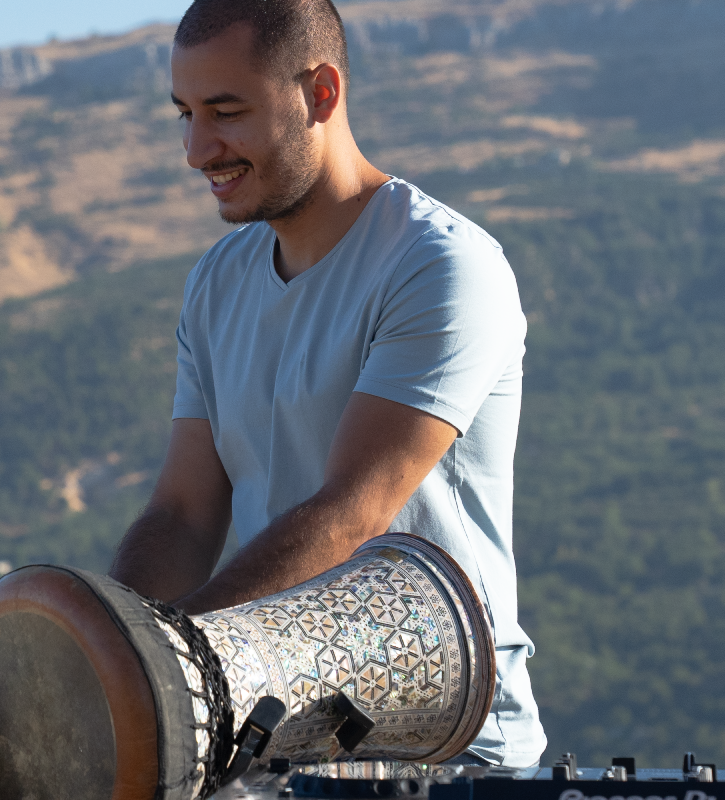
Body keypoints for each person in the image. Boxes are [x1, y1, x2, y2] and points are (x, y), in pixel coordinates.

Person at [107, 0, 546, 767]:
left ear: (321, 95)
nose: (195, 149)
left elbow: (352, 517)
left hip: (444, 748)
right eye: (183, 114)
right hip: (283, 742)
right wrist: (103, 641)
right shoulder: (216, 283)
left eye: (226, 111)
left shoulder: (439, 267)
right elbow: (181, 515)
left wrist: (160, 662)